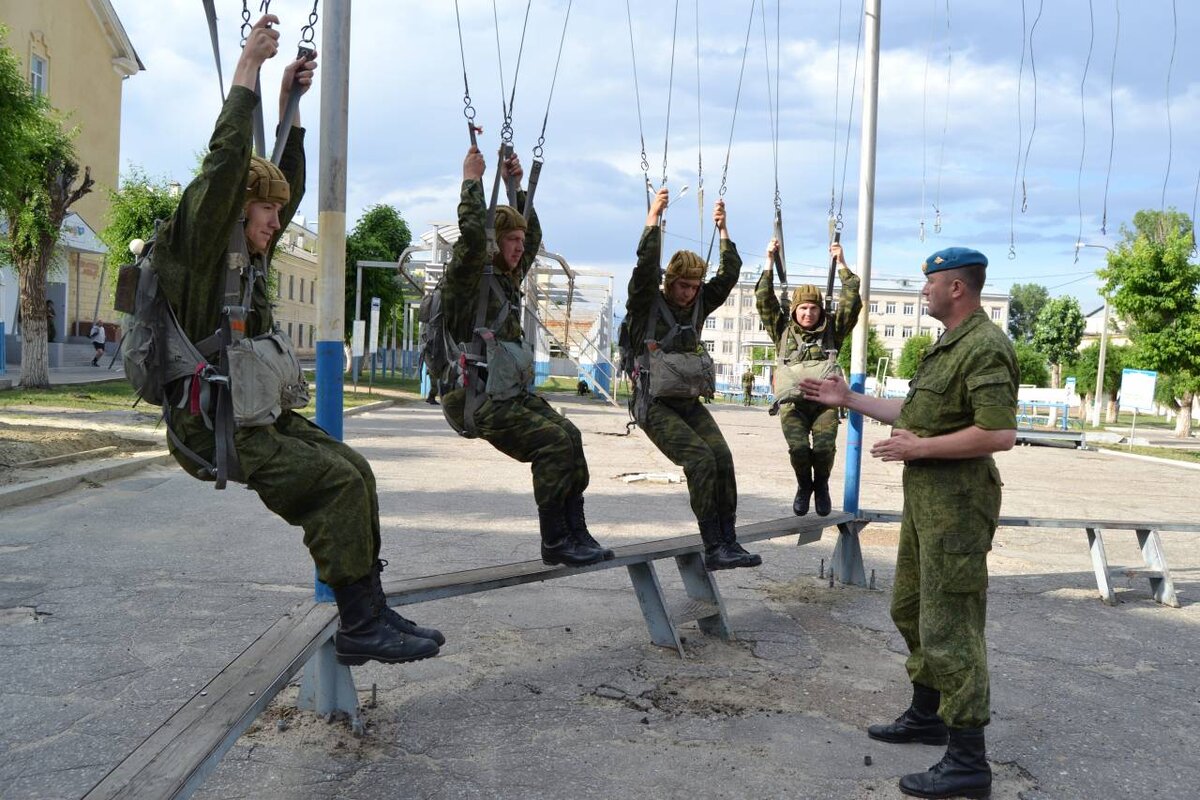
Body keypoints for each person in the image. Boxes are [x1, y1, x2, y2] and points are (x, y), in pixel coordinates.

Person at [153, 15, 441, 668]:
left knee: (355, 472)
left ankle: (368, 606)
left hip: (252, 413)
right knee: (330, 487)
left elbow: (285, 183)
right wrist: (247, 73)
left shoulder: (246, 255)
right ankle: (359, 626)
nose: (278, 223)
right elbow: (226, 167)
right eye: (268, 212)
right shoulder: (200, 248)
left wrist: (292, 111)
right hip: (208, 426)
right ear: (236, 208)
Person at [800, 246, 1017, 799]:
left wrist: (923, 450)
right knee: (911, 608)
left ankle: (969, 760)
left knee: (952, 625)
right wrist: (848, 398)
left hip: (959, 505)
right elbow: (915, 413)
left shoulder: (986, 346)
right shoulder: (948, 345)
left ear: (957, 288)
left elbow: (997, 434)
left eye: (931, 282)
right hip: (928, 502)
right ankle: (928, 715)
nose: (924, 290)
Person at [440, 145, 612, 568]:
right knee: (552, 444)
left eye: (519, 241)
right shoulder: (469, 278)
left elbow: (531, 234)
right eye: (510, 241)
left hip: (507, 395)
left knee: (570, 436)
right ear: (492, 243)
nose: (520, 248)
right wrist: (471, 181)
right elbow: (473, 237)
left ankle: (575, 530)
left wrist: (517, 187)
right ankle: (555, 540)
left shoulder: (508, 276)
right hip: (476, 399)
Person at [625, 188, 761, 571]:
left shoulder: (700, 301)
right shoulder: (646, 304)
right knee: (700, 460)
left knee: (722, 457)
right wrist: (653, 220)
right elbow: (644, 269)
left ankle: (728, 541)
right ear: (670, 281)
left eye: (695, 286)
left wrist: (723, 231)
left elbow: (730, 274)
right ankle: (712, 544)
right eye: (683, 285)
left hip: (686, 400)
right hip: (653, 403)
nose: (689, 293)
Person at [756, 240, 861, 517]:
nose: (808, 313)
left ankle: (822, 486)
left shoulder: (832, 331)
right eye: (803, 308)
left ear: (820, 311)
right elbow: (763, 299)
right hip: (793, 404)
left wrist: (842, 264)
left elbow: (852, 301)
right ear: (794, 311)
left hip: (824, 403)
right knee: (799, 449)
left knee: (825, 449)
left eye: (813, 308)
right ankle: (805, 487)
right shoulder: (781, 330)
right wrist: (769, 260)